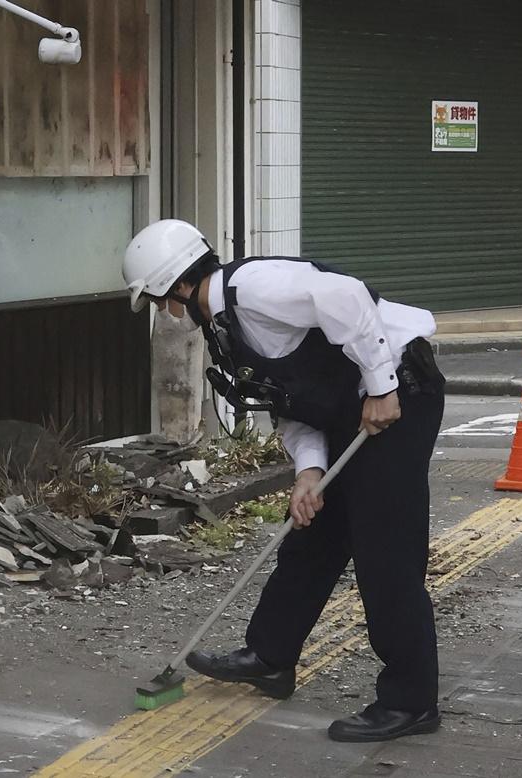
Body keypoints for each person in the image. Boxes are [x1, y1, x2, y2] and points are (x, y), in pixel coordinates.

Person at [121, 219, 446, 742]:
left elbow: (345, 295)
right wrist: (309, 472)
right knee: (312, 535)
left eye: (161, 300)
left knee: (386, 550)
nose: (165, 311)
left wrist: (383, 386)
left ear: (178, 284)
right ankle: (270, 657)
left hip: (399, 395)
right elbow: (291, 400)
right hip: (347, 408)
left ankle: (412, 701)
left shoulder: (252, 288)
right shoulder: (226, 325)